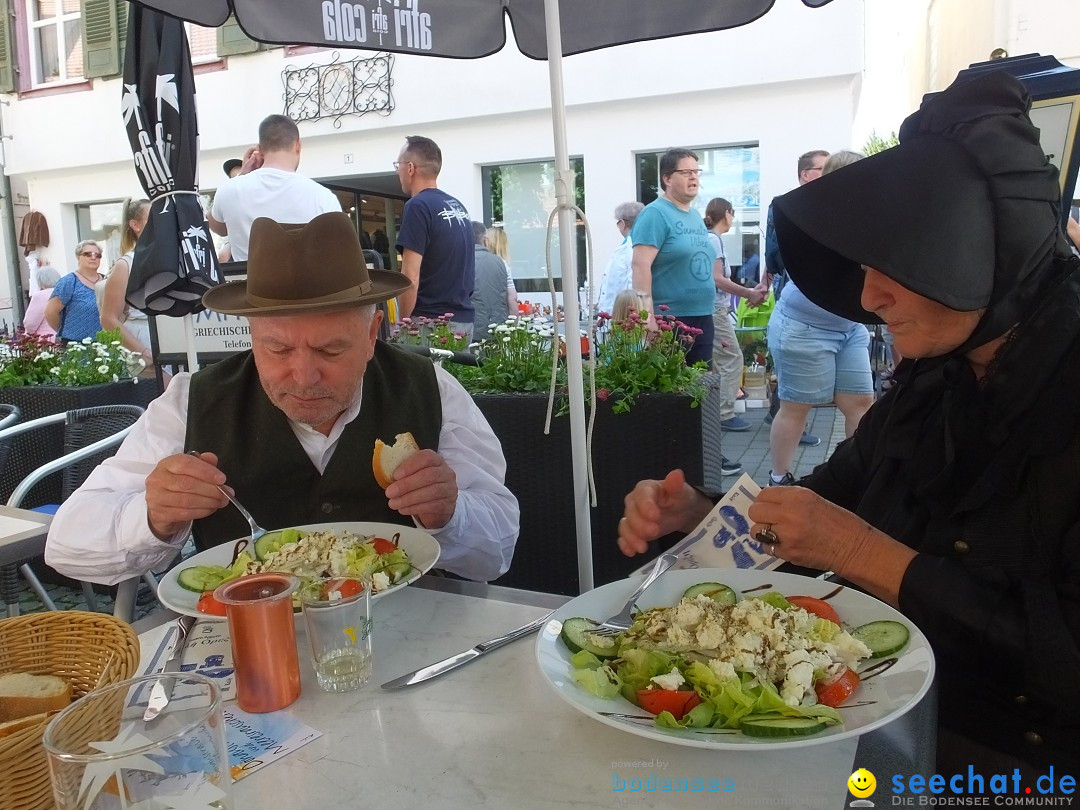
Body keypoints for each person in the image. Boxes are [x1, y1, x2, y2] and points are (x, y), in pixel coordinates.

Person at [616, 71, 1080, 778]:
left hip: (1014, 769)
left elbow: (1061, 658)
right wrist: (701, 512)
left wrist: (869, 555)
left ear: (996, 254)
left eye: (903, 261)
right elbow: (827, 503)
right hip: (869, 712)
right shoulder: (936, 375)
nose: (868, 293)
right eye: (864, 262)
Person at [46, 212, 519, 585]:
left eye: (331, 348)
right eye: (277, 348)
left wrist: (451, 513)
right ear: (252, 337)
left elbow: (500, 547)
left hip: (404, 641)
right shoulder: (193, 401)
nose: (304, 374)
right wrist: (152, 517)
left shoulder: (430, 388)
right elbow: (66, 543)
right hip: (247, 648)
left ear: (373, 333)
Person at [765, 150, 875, 485]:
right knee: (796, 407)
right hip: (803, 326)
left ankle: (855, 477)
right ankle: (779, 478)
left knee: (861, 403)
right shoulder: (812, 217)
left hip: (849, 326)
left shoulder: (869, 217)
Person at [762, 150, 828, 448]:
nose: (830, 173)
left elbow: (771, 252)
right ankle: (787, 420)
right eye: (823, 168)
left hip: (796, 288)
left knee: (794, 359)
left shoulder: (785, 205)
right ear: (805, 174)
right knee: (797, 357)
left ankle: (780, 413)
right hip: (796, 291)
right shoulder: (792, 206)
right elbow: (777, 252)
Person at [208, 114, 341, 261]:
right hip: (305, 283)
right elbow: (335, 252)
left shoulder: (229, 191)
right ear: (298, 145)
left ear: (259, 149)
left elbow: (217, 227)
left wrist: (242, 175)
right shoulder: (323, 197)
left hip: (249, 283)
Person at [631, 148, 715, 367]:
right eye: (686, 172)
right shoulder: (655, 214)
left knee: (702, 392)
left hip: (702, 316)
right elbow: (640, 266)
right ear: (667, 178)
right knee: (674, 395)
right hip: (670, 320)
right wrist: (647, 318)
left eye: (696, 172)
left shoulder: (695, 216)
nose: (694, 177)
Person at [394, 136, 475, 337]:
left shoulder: (417, 207)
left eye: (399, 165)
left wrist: (402, 323)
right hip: (463, 321)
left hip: (428, 323)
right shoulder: (458, 207)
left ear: (411, 168)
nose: (398, 171)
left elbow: (410, 276)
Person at [100, 198, 154, 369]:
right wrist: (143, 352)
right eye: (152, 219)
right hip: (143, 340)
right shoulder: (126, 265)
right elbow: (108, 318)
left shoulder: (173, 260)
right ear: (135, 225)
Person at [45, 240, 104, 342]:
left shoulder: (107, 281)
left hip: (104, 345)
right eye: (88, 254)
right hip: (75, 346)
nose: (93, 257)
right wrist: (67, 331)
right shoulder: (69, 282)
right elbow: (50, 312)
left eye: (97, 255)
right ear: (78, 256)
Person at [596, 202, 643, 317]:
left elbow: (634, 285)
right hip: (618, 316)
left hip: (625, 317)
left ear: (622, 223)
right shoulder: (628, 245)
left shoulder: (632, 247)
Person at [471, 221, 516, 341]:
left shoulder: (464, 260)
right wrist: (514, 326)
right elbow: (512, 297)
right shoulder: (501, 262)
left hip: (473, 326)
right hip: (498, 325)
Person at [21, 264, 60, 337]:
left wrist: (29, 333)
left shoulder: (40, 296)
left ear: (39, 280)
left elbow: (30, 323)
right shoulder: (65, 292)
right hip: (67, 338)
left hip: (46, 340)